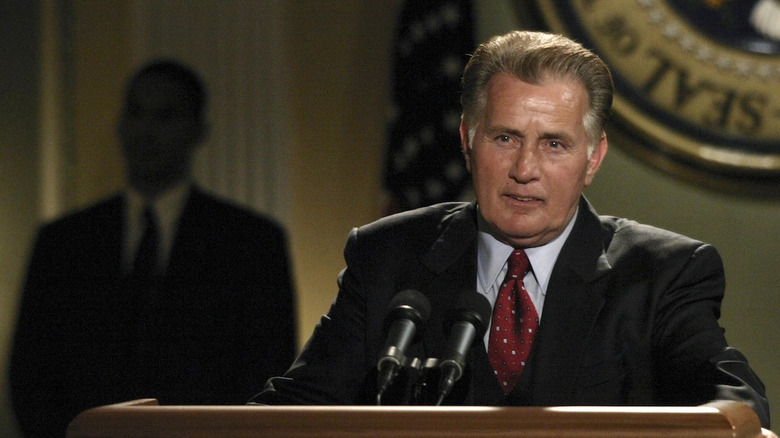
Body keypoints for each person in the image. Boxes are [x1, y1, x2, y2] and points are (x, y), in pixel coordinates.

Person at [249, 30, 774, 434]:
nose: (525, 168)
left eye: (554, 144)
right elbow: (292, 411)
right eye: (505, 137)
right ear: (467, 139)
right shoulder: (386, 255)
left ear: (593, 158)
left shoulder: (663, 274)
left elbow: (734, 404)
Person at [10, 60, 298, 438]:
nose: (145, 131)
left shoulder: (250, 244)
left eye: (165, 116)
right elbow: (30, 375)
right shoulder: (63, 242)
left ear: (198, 131)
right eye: (135, 112)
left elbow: (266, 377)